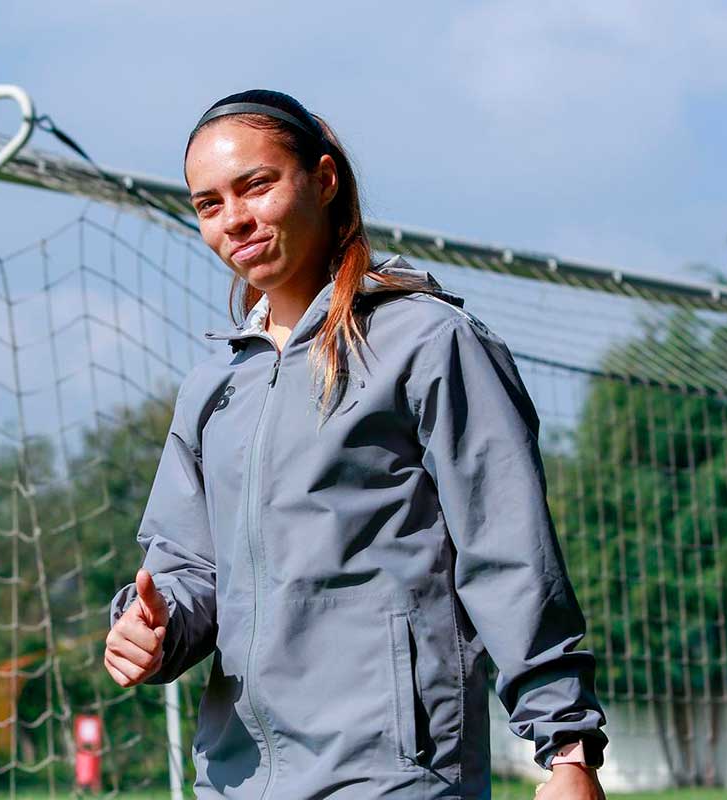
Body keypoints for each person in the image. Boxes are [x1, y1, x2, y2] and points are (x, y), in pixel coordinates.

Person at [105, 89, 609, 799]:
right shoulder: (213, 384)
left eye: (257, 185)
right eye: (209, 204)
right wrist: (152, 629)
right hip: (236, 777)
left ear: (324, 178)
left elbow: (511, 554)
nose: (235, 219)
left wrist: (567, 748)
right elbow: (187, 567)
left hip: (394, 773)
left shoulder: (429, 342)